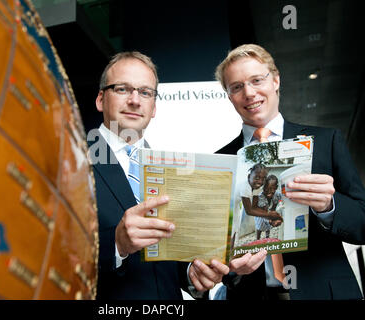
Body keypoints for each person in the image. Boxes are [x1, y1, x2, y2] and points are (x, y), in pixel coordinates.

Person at [88, 51, 264, 299]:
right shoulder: (69, 162)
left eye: (145, 92)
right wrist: (116, 245)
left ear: (154, 107)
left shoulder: (168, 170)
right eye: (122, 89)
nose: (135, 100)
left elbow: (172, 256)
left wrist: (193, 273)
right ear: (100, 99)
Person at [215, 43, 365, 299]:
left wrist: (328, 206)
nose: (249, 93)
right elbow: (214, 245)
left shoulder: (326, 141)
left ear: (275, 80)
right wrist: (230, 269)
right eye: (237, 87)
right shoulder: (220, 161)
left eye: (256, 80)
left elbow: (362, 223)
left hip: (324, 291)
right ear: (230, 96)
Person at [255, 175, 282, 240]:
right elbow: (264, 210)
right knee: (260, 227)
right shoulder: (261, 196)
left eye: (272, 189)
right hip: (261, 214)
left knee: (268, 227)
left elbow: (274, 206)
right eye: (267, 189)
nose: (269, 191)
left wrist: (273, 216)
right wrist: (271, 220)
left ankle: (267, 237)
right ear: (264, 187)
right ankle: (258, 238)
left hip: (270, 213)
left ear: (276, 187)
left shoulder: (277, 194)